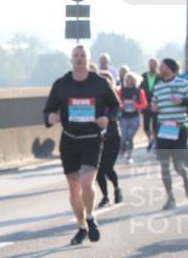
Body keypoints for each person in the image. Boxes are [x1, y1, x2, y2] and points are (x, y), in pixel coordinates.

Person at [43, 45, 119, 244]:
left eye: (83, 55)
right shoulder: (61, 84)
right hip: (69, 140)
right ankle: (81, 225)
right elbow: (48, 110)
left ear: (88, 59)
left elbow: (116, 105)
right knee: (74, 188)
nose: (79, 59)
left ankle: (91, 215)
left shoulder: (100, 83)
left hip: (91, 139)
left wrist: (107, 118)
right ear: (71, 59)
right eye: (76, 55)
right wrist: (51, 117)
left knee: (87, 181)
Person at [150, 58, 188, 210]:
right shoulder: (158, 87)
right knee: (164, 165)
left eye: (163, 66)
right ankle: (170, 198)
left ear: (170, 68)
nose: (160, 68)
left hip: (179, 128)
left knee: (178, 164)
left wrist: (182, 101)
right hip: (163, 129)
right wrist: (154, 108)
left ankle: (186, 182)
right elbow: (154, 104)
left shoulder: (182, 84)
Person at [94, 71, 122, 207]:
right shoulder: (94, 100)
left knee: (107, 167)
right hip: (97, 139)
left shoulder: (113, 102)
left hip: (112, 138)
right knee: (98, 171)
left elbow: (116, 112)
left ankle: (117, 188)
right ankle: (105, 196)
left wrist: (107, 118)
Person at [119, 72, 147, 163]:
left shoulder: (139, 91)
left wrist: (136, 106)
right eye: (127, 79)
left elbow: (144, 104)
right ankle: (123, 151)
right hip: (124, 117)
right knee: (124, 137)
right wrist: (122, 105)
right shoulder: (122, 91)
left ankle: (129, 156)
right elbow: (117, 102)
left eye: (131, 79)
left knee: (129, 137)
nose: (129, 81)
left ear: (135, 81)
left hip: (134, 117)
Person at [141, 58, 160, 151]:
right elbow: (139, 90)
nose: (152, 66)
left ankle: (155, 142)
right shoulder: (144, 76)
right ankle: (150, 140)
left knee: (156, 125)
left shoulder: (160, 76)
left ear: (157, 65)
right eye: (150, 64)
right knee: (146, 126)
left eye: (154, 64)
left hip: (157, 105)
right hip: (145, 105)